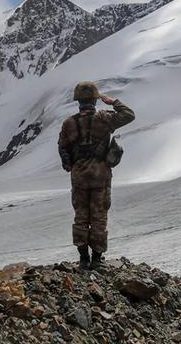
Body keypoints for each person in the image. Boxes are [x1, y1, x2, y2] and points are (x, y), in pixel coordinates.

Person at [57, 81, 135, 269]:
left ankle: (83, 259)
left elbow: (62, 147)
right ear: (95, 99)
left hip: (79, 176)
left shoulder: (69, 123)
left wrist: (71, 165)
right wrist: (113, 101)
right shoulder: (104, 118)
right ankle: (97, 259)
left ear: (78, 101)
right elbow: (129, 115)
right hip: (101, 175)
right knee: (99, 217)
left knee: (81, 217)